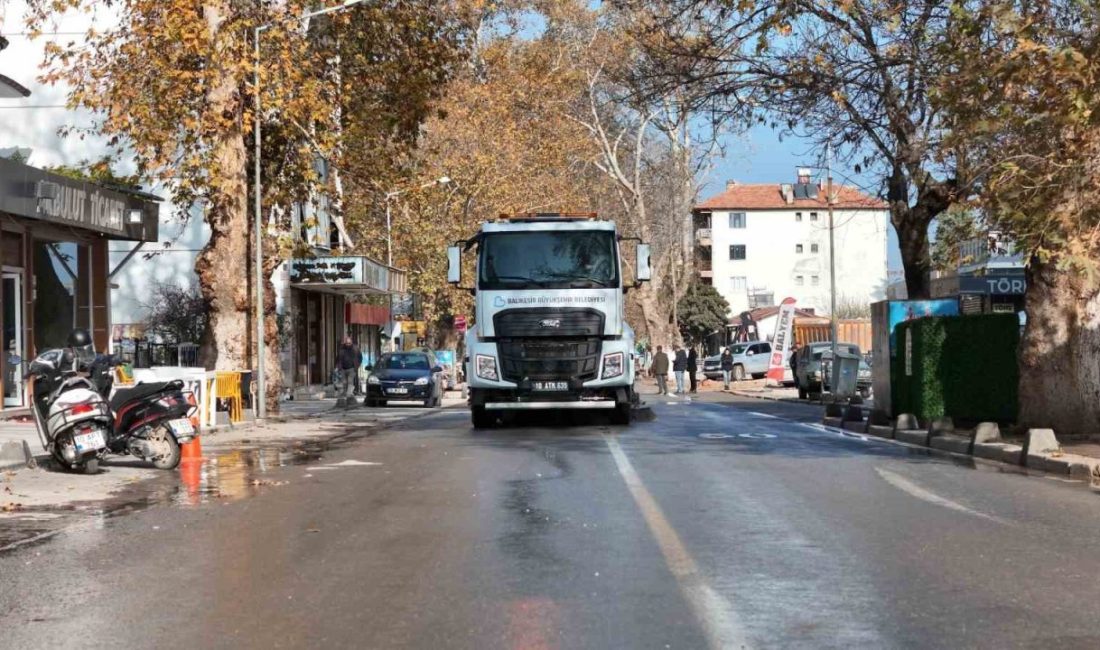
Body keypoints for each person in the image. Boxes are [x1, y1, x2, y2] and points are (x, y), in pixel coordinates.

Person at [336, 336, 360, 406]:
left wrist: (357, 366)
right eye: (347, 343)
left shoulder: (355, 349)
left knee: (350, 381)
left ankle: (349, 394)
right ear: (345, 343)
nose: (348, 344)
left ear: (351, 342)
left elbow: (360, 357)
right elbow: (338, 358)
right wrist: (338, 366)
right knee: (344, 382)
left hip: (352, 368)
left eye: (349, 343)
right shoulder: (341, 349)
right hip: (343, 369)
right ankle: (344, 396)